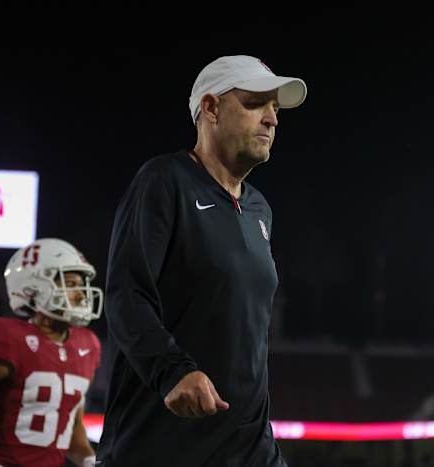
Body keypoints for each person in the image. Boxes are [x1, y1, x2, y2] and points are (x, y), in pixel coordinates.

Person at [95, 55, 307, 466]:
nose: (271, 120)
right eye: (255, 104)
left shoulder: (260, 209)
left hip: (248, 449)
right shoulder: (163, 181)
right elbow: (126, 294)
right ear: (210, 108)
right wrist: (172, 371)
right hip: (160, 446)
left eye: (275, 109)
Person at [0, 238, 104, 467]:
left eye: (81, 285)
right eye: (70, 284)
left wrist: (90, 460)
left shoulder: (87, 345)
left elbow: (72, 430)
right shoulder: (7, 338)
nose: (80, 294)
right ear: (32, 288)